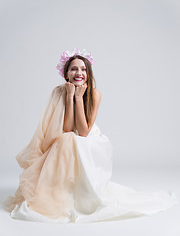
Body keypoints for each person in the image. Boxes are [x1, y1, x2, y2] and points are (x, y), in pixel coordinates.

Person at [3, 48, 178, 223]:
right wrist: (70, 95)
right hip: (68, 136)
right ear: (66, 74)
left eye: (83, 69)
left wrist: (79, 98)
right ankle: (63, 192)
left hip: (89, 138)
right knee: (66, 140)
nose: (79, 72)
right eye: (73, 69)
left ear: (89, 73)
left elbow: (84, 131)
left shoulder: (95, 93)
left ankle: (83, 194)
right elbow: (66, 129)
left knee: (71, 141)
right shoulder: (59, 92)